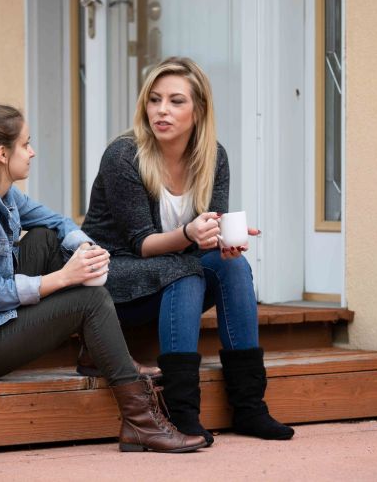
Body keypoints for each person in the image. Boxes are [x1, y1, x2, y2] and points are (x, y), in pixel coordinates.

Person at [0, 103, 206, 453]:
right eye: (25, 144)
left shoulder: (0, 190)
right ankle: (141, 421)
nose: (32, 152)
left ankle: (96, 352)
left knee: (45, 235)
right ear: (2, 153)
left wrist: (86, 247)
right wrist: (64, 277)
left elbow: (57, 222)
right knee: (89, 301)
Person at [82, 57, 294, 445]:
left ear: (198, 111)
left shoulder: (214, 157)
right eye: (155, 100)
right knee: (185, 269)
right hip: (111, 275)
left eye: (176, 101)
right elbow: (142, 245)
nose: (162, 110)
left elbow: (206, 232)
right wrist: (192, 235)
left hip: (173, 271)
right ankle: (182, 412)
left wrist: (223, 241)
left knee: (232, 267)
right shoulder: (123, 155)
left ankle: (249, 407)